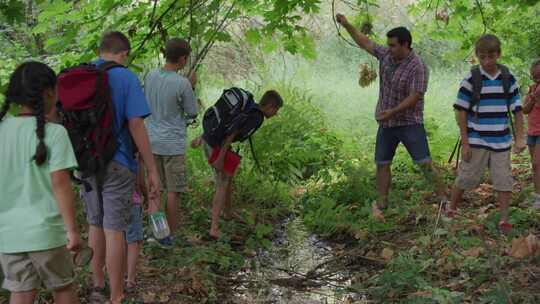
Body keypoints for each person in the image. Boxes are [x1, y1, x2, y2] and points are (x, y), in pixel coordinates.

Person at [80, 31, 161, 304]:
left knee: (95, 224)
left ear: (101, 49)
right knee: (114, 229)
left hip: (87, 163)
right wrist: (151, 168)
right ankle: (116, 295)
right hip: (118, 161)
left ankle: (98, 285)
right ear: (123, 53)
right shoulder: (126, 77)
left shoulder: (82, 74)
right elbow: (136, 124)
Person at [336, 14, 446, 209]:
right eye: (389, 45)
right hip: (387, 124)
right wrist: (347, 25)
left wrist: (392, 112)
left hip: (410, 123)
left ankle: (445, 201)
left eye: (393, 45)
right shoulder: (386, 55)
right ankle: (383, 202)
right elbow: (365, 42)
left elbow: (415, 97)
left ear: (405, 45)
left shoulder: (418, 66)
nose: (390, 48)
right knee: (382, 163)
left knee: (424, 163)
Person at [0, 61, 81, 304]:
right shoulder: (55, 133)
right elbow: (60, 183)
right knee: (64, 288)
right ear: (49, 93)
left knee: (21, 292)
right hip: (47, 233)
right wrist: (72, 231)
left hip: (9, 234)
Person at [449, 34, 526, 233]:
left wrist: (520, 138)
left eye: (491, 56)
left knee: (503, 179)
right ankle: (451, 208)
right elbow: (461, 111)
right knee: (466, 176)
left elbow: (517, 110)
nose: (487, 61)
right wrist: (465, 143)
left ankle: (504, 219)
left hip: (501, 140)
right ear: (477, 56)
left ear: (498, 54)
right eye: (482, 57)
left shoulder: (508, 78)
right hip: (477, 139)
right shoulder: (471, 79)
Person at [193, 89, 283, 239]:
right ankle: (214, 228)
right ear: (270, 107)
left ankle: (228, 212)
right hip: (217, 146)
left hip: (214, 141)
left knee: (229, 177)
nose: (276, 114)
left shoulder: (250, 107)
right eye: (276, 110)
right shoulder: (256, 116)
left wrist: (202, 136)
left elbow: (227, 122)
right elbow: (232, 132)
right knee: (222, 183)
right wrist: (220, 158)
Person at [144, 38, 199, 240]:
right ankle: (171, 236)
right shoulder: (182, 83)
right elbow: (192, 113)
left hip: (150, 141)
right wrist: (191, 87)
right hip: (173, 145)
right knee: (174, 191)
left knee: (154, 189)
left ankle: (157, 233)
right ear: (183, 58)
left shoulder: (150, 75)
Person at [124, 156, 146, 293]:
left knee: (117, 237)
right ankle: (130, 280)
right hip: (132, 200)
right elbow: (141, 181)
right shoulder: (135, 152)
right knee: (133, 241)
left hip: (111, 200)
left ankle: (120, 276)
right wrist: (147, 195)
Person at [522, 58, 540, 209]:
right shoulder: (532, 89)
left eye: (539, 75)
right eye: (534, 76)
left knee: (537, 163)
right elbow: (525, 110)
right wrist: (533, 97)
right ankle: (537, 195)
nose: (537, 79)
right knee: (535, 167)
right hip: (532, 132)